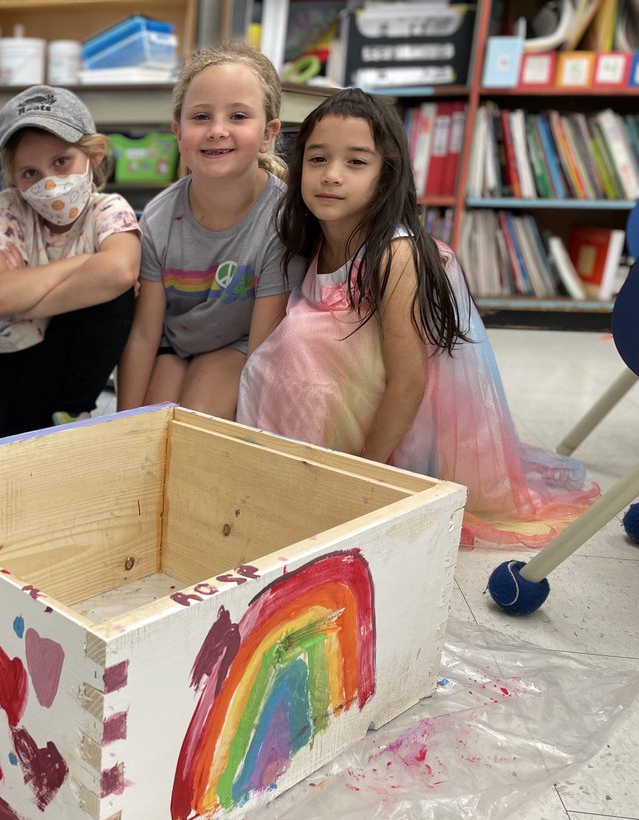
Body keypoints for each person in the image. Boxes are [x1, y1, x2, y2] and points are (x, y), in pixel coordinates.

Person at [236, 87, 599, 547]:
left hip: (385, 428)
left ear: (386, 177)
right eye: (317, 159)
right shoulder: (311, 240)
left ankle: (326, 480)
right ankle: (285, 479)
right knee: (273, 355)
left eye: (356, 162)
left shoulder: (394, 254)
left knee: (301, 343)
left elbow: (408, 382)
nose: (331, 176)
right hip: (344, 399)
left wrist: (363, 474)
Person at [0, 84, 140, 452]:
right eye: (30, 173)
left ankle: (69, 412)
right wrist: (84, 263)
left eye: (61, 162)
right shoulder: (6, 207)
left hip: (58, 366)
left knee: (115, 295)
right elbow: (2, 296)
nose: (49, 184)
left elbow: (120, 271)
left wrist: (26, 298)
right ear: (13, 179)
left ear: (95, 154)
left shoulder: (108, 209)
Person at [116, 41, 303, 419]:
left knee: (196, 419)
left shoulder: (282, 219)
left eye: (238, 116)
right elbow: (143, 335)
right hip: (175, 343)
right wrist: (119, 427)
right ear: (177, 132)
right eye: (201, 117)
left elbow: (262, 349)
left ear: (269, 133)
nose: (217, 130)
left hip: (237, 344)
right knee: (151, 423)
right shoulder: (157, 218)